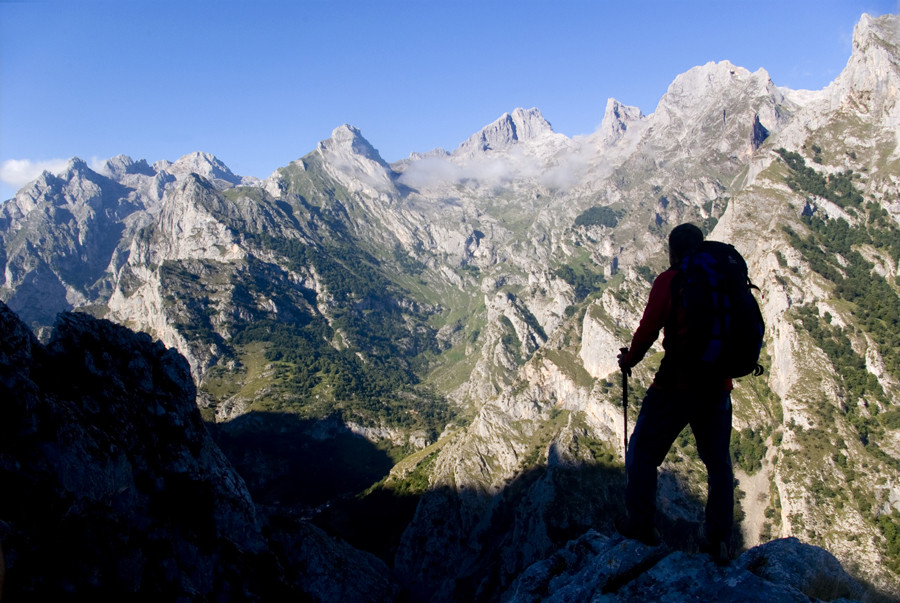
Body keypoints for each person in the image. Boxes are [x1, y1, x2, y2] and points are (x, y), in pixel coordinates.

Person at [615, 222, 735, 565]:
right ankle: (719, 538)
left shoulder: (671, 280)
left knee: (642, 452)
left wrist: (630, 359)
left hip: (677, 385)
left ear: (672, 251)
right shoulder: (724, 279)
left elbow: (648, 328)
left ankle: (640, 523)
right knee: (718, 465)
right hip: (718, 388)